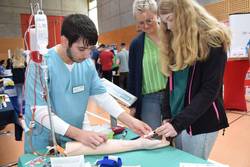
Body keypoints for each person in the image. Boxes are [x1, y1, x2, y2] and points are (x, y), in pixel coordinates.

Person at [24, 14, 152, 153]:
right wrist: (79, 134)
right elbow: (39, 111)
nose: (86, 55)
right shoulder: (39, 64)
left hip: (73, 140)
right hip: (44, 141)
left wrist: (130, 121)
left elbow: (102, 96)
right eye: (81, 49)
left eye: (90, 49)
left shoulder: (87, 65)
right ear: (64, 41)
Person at [155, 0, 231, 159]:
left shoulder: (213, 39)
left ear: (184, 15)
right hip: (178, 120)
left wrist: (177, 124)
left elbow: (209, 90)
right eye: (164, 22)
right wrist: (167, 115)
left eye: (170, 19)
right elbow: (171, 83)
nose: (168, 27)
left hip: (200, 122)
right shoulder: (176, 39)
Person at [128, 0, 167, 129]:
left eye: (149, 20)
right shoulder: (136, 45)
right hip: (149, 99)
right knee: (153, 137)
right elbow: (133, 76)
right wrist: (132, 105)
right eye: (141, 23)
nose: (145, 26)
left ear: (157, 15)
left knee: (176, 136)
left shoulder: (170, 36)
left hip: (172, 95)